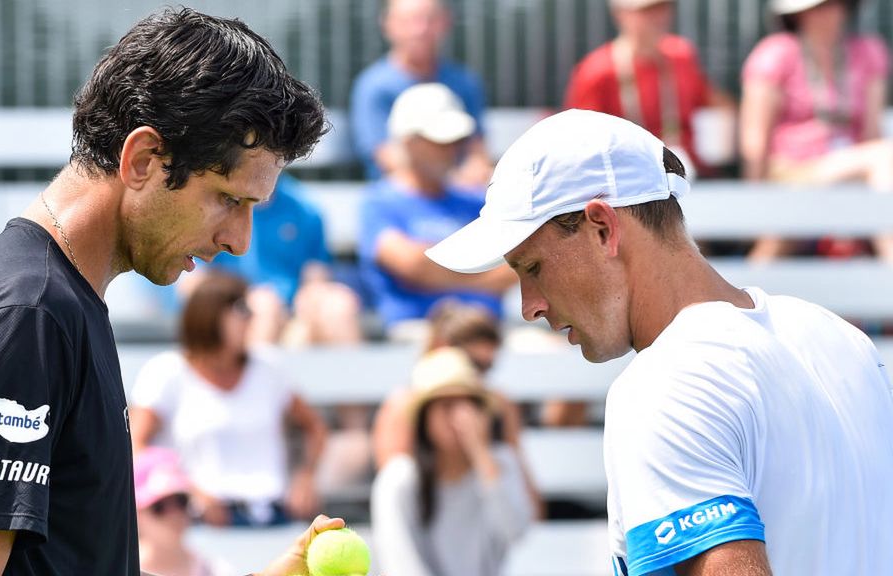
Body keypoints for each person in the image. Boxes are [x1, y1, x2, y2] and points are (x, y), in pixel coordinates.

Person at [0, 8, 339, 576]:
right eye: (229, 199)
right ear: (143, 160)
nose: (239, 241)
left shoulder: (54, 304)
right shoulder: (25, 316)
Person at [426, 109, 893, 574]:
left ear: (603, 228)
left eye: (531, 267)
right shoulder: (842, 339)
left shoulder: (666, 384)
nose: (530, 306)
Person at [130, 271, 328, 527]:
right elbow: (137, 446)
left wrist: (306, 477)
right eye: (242, 308)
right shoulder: (165, 371)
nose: (252, 318)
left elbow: (315, 427)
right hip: (197, 521)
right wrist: (189, 491)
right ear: (210, 314)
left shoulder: (269, 367)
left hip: (273, 514)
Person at [357, 83, 516, 340]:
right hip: (420, 335)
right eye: (440, 140)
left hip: (490, 334)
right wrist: (482, 269)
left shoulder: (478, 199)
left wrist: (437, 270)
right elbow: (412, 266)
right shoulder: (379, 202)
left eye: (457, 141)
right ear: (409, 142)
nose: (452, 150)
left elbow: (516, 264)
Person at [741, 0, 893, 261]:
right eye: (819, 7)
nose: (830, 12)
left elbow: (871, 133)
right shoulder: (775, 53)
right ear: (799, 15)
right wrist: (756, 201)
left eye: (835, 4)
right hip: (791, 171)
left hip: (851, 169)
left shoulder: (869, 52)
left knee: (882, 157)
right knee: (776, 243)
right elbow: (755, 137)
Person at [371, 346, 533, 576]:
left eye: (467, 404)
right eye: (446, 406)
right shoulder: (398, 480)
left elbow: (517, 530)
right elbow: (402, 567)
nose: (460, 417)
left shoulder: (500, 462)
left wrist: (481, 454)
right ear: (424, 418)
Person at [564, 0, 733, 176]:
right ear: (620, 14)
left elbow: (711, 105)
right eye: (647, 11)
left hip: (687, 174)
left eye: (663, 8)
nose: (658, 18)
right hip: (627, 181)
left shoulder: (682, 55)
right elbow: (583, 141)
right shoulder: (597, 70)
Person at [205, 172, 361, 347]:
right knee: (264, 306)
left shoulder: (305, 209)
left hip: (291, 310)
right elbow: (197, 280)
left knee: (339, 304)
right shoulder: (214, 205)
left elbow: (315, 277)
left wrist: (309, 302)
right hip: (232, 305)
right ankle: (252, 372)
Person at [350, 0, 492, 185]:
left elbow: (476, 151)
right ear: (388, 24)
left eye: (429, 20)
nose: (420, 30)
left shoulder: (465, 82)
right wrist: (452, 183)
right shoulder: (373, 86)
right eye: (409, 21)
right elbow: (383, 156)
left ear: (445, 22)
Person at [134, 448, 235, 576]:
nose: (174, 514)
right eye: (159, 506)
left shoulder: (215, 570)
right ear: (137, 512)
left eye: (181, 501)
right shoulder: (118, 570)